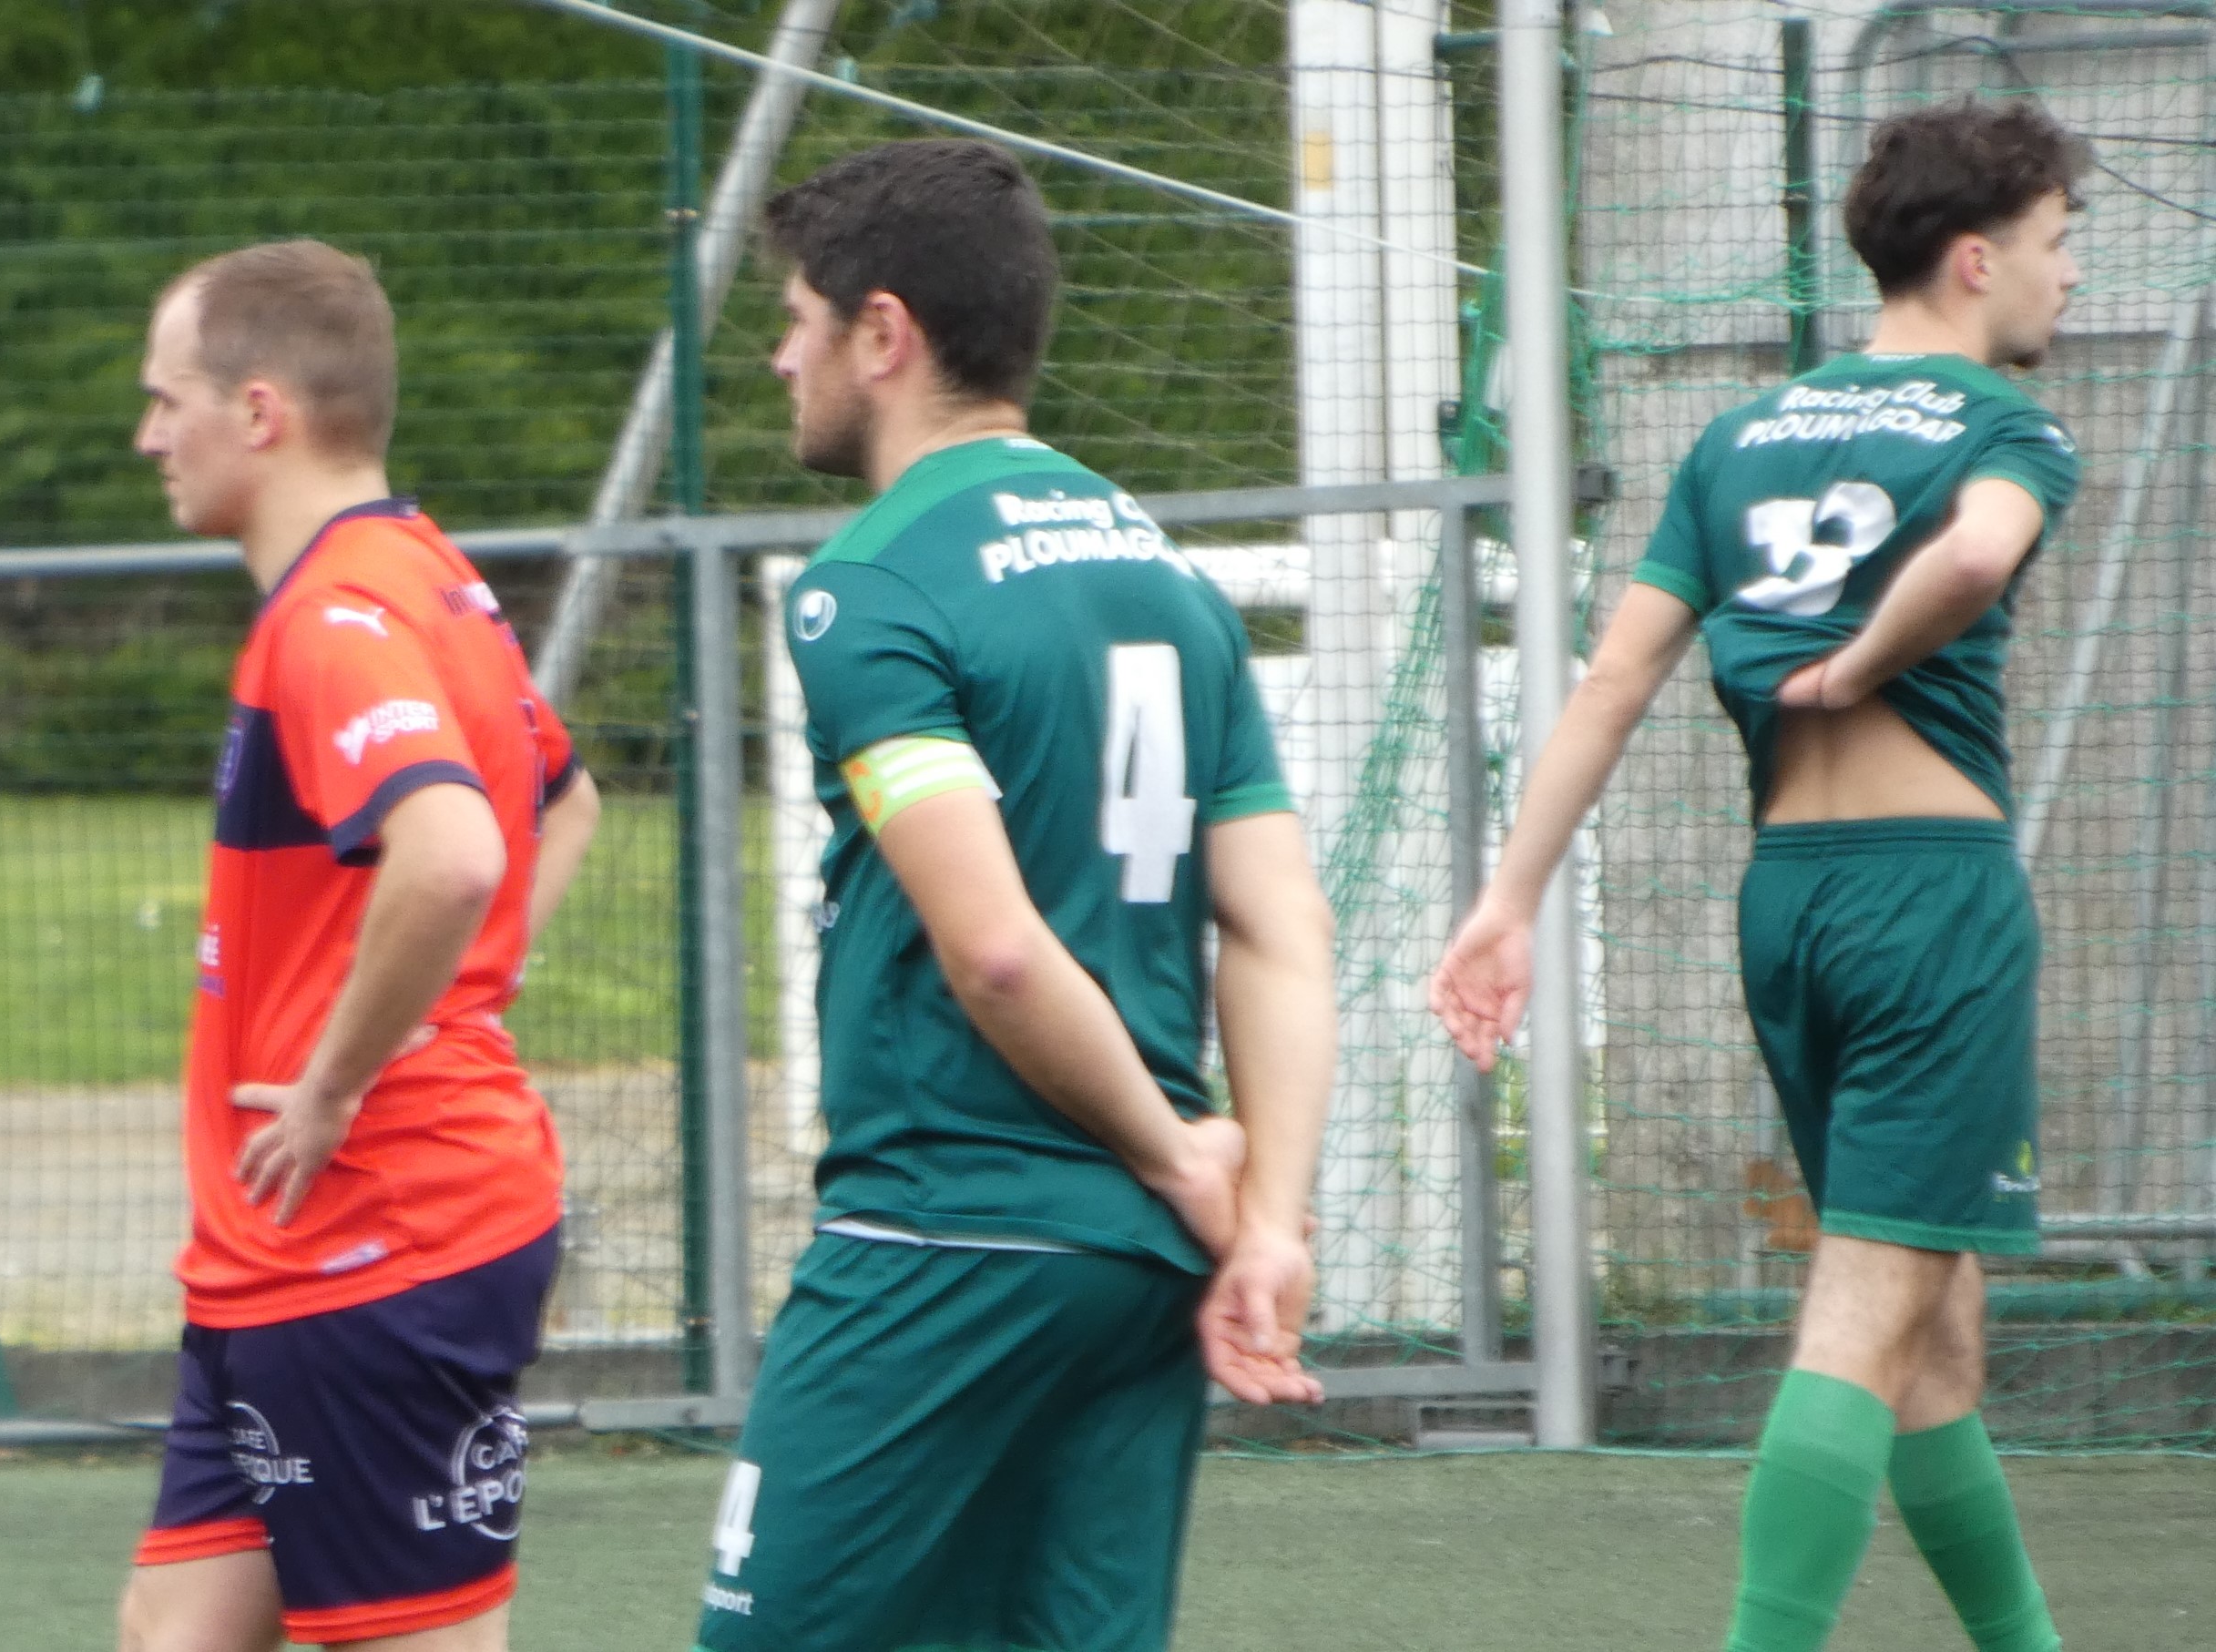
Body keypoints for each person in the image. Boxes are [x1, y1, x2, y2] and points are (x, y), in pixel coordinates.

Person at [1429, 100, 2087, 1652]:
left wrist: (1507, 903)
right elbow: (1974, 559)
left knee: (1935, 1332)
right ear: (1974, 258)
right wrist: (1861, 660)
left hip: (1787, 903)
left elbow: (1610, 682)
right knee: (1864, 1313)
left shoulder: (1736, 438)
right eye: (2057, 246)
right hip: (1930, 901)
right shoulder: (2008, 426)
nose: (2068, 277)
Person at [694, 138, 1334, 1652]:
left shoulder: (875, 584)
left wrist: (1179, 1158)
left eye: (796, 319)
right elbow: (1281, 926)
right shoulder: (1168, 580)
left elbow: (993, 950)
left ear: (884, 333)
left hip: (944, 1235)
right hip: (1137, 1272)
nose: (782, 358)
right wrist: (1265, 1222)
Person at [118, 239, 600, 1651]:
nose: (149, 435)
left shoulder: (334, 618)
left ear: (258, 412)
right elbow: (564, 799)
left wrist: (344, 1072)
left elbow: (453, 853)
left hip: (373, 1238)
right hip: (278, 1249)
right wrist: (442, 1000)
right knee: (170, 1630)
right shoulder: (424, 572)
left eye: (166, 399)